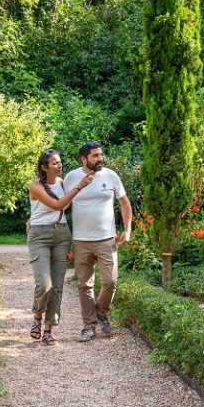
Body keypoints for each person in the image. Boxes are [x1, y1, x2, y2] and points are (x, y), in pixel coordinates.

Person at [64, 141, 132, 342]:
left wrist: (127, 230)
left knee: (110, 281)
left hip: (106, 239)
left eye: (100, 154)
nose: (100, 158)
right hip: (81, 240)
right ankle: (89, 326)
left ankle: (101, 312)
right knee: (84, 285)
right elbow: (61, 203)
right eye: (95, 156)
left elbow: (125, 203)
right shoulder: (71, 177)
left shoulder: (111, 176)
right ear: (83, 159)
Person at [27, 149, 94, 346]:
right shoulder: (36, 186)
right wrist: (79, 187)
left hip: (62, 234)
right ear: (44, 167)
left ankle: (48, 330)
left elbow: (68, 205)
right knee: (43, 285)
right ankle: (37, 316)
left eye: (60, 162)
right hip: (39, 236)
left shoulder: (63, 182)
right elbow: (58, 205)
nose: (59, 165)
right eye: (55, 163)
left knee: (56, 286)